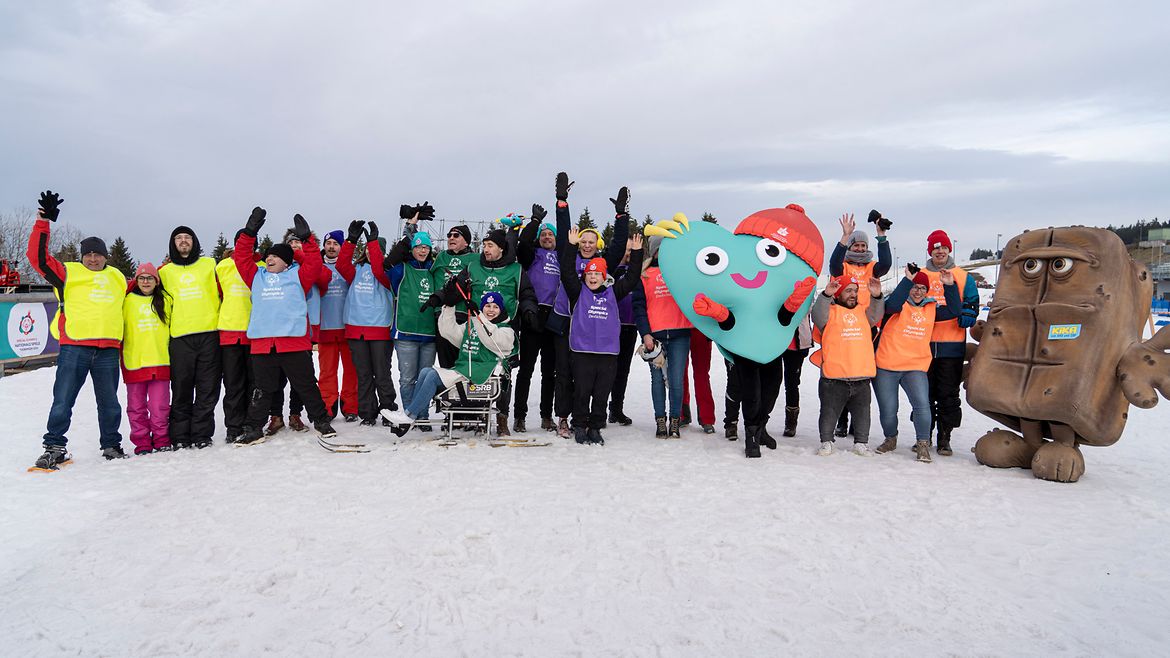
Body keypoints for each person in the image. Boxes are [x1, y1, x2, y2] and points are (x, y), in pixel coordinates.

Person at [27, 191, 129, 469]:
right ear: (83, 255)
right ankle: (55, 447)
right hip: (75, 347)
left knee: (109, 403)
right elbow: (37, 258)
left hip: (108, 349)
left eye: (99, 254)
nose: (94, 259)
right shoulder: (68, 272)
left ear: (106, 256)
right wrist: (43, 224)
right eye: (89, 254)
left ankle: (111, 445)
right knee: (63, 400)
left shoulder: (117, 276)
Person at [231, 208, 336, 444]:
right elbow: (241, 258)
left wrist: (307, 239)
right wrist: (249, 232)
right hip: (263, 344)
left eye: (275, 256)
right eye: (268, 256)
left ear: (286, 261)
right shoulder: (256, 276)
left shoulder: (299, 276)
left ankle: (320, 420)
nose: (269, 258)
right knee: (263, 389)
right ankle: (254, 427)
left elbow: (315, 263)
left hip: (293, 342)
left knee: (307, 385)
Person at [547, 174, 630, 437]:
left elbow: (618, 246)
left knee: (587, 376)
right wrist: (562, 202)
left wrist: (621, 216)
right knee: (563, 372)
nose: (586, 245)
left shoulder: (602, 266)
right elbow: (564, 236)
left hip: (591, 328)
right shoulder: (568, 257)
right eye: (583, 241)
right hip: (565, 320)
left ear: (597, 246)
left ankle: (590, 419)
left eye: (591, 242)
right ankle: (563, 417)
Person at [560, 228, 644, 444]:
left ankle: (595, 426)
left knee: (601, 393)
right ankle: (579, 424)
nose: (594, 277)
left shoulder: (613, 293)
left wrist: (636, 253)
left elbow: (633, 277)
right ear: (585, 276)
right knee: (582, 391)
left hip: (607, 352)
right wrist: (570, 246)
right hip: (582, 351)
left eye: (598, 274)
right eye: (590, 274)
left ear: (605, 276)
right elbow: (567, 271)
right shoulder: (577, 292)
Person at [384, 290, 515, 427]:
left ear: (501, 310)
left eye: (495, 307)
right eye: (487, 306)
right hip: (467, 371)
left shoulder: (506, 331)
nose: (491, 310)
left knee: (433, 376)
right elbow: (449, 332)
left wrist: (478, 316)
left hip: (482, 376)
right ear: (483, 308)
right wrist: (449, 306)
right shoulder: (473, 325)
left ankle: (408, 415)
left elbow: (490, 338)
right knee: (425, 372)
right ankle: (414, 415)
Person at [872, 268, 960, 462]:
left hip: (915, 367)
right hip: (887, 365)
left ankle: (923, 443)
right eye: (914, 287)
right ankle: (890, 438)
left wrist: (950, 285)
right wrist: (907, 280)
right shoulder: (895, 306)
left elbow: (954, 311)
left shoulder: (931, 309)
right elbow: (892, 304)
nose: (918, 291)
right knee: (888, 409)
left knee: (922, 406)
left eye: (922, 288)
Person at [462, 225, 538, 437]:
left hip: (506, 329)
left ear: (501, 249)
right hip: (478, 328)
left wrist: (530, 310)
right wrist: (441, 297)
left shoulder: (516, 269)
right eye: (484, 245)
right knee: (478, 371)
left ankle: (502, 417)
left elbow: (527, 293)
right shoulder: (473, 266)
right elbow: (455, 287)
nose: (486, 249)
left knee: (503, 374)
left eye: (490, 245)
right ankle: (480, 415)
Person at [828, 212, 893, 438]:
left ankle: (857, 420)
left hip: (867, 326)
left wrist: (881, 236)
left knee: (862, 373)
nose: (860, 249)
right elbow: (833, 263)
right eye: (856, 245)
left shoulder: (871, 268)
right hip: (844, 325)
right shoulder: (843, 266)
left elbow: (886, 263)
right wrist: (845, 237)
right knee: (843, 371)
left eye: (863, 245)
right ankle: (842, 420)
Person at [158, 225, 221, 448]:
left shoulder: (210, 264)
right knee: (181, 389)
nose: (184, 241)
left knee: (207, 389)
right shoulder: (164, 272)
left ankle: (202, 434)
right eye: (179, 238)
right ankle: (180, 436)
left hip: (209, 334)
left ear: (194, 241)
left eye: (188, 237)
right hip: (180, 337)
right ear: (172, 243)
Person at [810, 275, 885, 456]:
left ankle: (861, 442)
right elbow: (817, 314)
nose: (853, 294)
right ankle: (826, 441)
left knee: (863, 414)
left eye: (855, 291)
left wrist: (876, 296)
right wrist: (826, 294)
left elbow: (876, 314)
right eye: (848, 290)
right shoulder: (830, 312)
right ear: (839, 293)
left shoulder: (863, 312)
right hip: (834, 377)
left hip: (861, 375)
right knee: (828, 412)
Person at [922, 229, 980, 455]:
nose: (940, 252)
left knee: (948, 394)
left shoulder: (963, 276)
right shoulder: (923, 275)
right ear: (931, 251)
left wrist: (969, 313)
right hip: (923, 346)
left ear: (949, 249)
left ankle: (944, 436)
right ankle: (923, 435)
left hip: (951, 346)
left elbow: (972, 301)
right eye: (936, 248)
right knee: (924, 395)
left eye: (943, 248)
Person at [335, 220, 398, 425]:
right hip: (356, 331)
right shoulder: (356, 270)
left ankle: (388, 410)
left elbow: (379, 270)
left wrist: (372, 242)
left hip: (379, 330)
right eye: (370, 250)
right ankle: (367, 413)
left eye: (377, 250)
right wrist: (351, 241)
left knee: (382, 374)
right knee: (363, 375)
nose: (372, 253)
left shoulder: (388, 272)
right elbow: (341, 265)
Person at [632, 231, 692, 438]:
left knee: (676, 380)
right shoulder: (644, 274)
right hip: (654, 337)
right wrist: (645, 334)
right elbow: (639, 307)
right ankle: (660, 421)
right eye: (660, 249)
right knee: (657, 380)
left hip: (680, 333)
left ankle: (675, 421)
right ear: (655, 251)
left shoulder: (680, 273)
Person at [385, 212, 438, 409]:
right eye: (418, 247)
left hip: (429, 334)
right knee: (408, 378)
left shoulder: (434, 269)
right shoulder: (401, 269)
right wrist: (410, 229)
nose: (422, 250)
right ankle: (408, 415)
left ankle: (421, 416)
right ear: (412, 249)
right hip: (406, 332)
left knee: (426, 379)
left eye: (426, 247)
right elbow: (390, 260)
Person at [513, 205, 558, 433]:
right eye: (544, 234)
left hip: (554, 318)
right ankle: (519, 416)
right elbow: (522, 244)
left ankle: (546, 415)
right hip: (533, 315)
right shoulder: (532, 255)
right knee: (526, 370)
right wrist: (534, 223)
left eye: (550, 234)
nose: (547, 237)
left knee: (549, 372)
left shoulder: (562, 257)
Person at [216, 230, 263, 443]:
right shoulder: (222, 267)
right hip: (230, 331)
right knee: (234, 383)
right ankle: (233, 426)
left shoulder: (262, 267)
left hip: (255, 333)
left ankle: (252, 423)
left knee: (255, 383)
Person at [122, 263, 173, 455]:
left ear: (156, 281)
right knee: (136, 407)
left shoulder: (166, 300)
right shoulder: (127, 301)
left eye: (150, 278)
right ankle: (142, 441)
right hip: (135, 361)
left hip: (160, 361)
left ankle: (161, 439)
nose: (145, 281)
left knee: (159, 405)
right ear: (136, 281)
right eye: (141, 278)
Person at [317, 229, 360, 422]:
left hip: (346, 327)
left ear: (341, 247)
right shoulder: (316, 266)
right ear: (324, 246)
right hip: (325, 327)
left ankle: (350, 406)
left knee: (351, 370)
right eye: (329, 243)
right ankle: (328, 405)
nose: (331, 247)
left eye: (335, 244)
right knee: (327, 371)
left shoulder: (349, 267)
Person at [607, 234, 640, 427]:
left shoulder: (638, 271)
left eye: (630, 250)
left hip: (630, 327)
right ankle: (599, 408)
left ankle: (616, 409)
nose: (627, 253)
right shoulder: (611, 270)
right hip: (611, 327)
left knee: (623, 371)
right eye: (625, 249)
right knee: (606, 369)